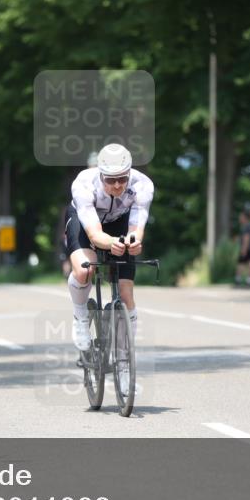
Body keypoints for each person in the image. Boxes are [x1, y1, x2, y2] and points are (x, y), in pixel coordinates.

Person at [64, 143, 154, 397]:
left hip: (120, 222)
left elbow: (137, 226)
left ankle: (125, 364)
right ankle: (80, 315)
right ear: (101, 174)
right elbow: (93, 233)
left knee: (126, 295)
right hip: (86, 223)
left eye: (122, 179)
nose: (117, 185)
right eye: (111, 180)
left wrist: (133, 241)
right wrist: (110, 243)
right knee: (84, 270)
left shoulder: (142, 186)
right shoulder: (83, 184)